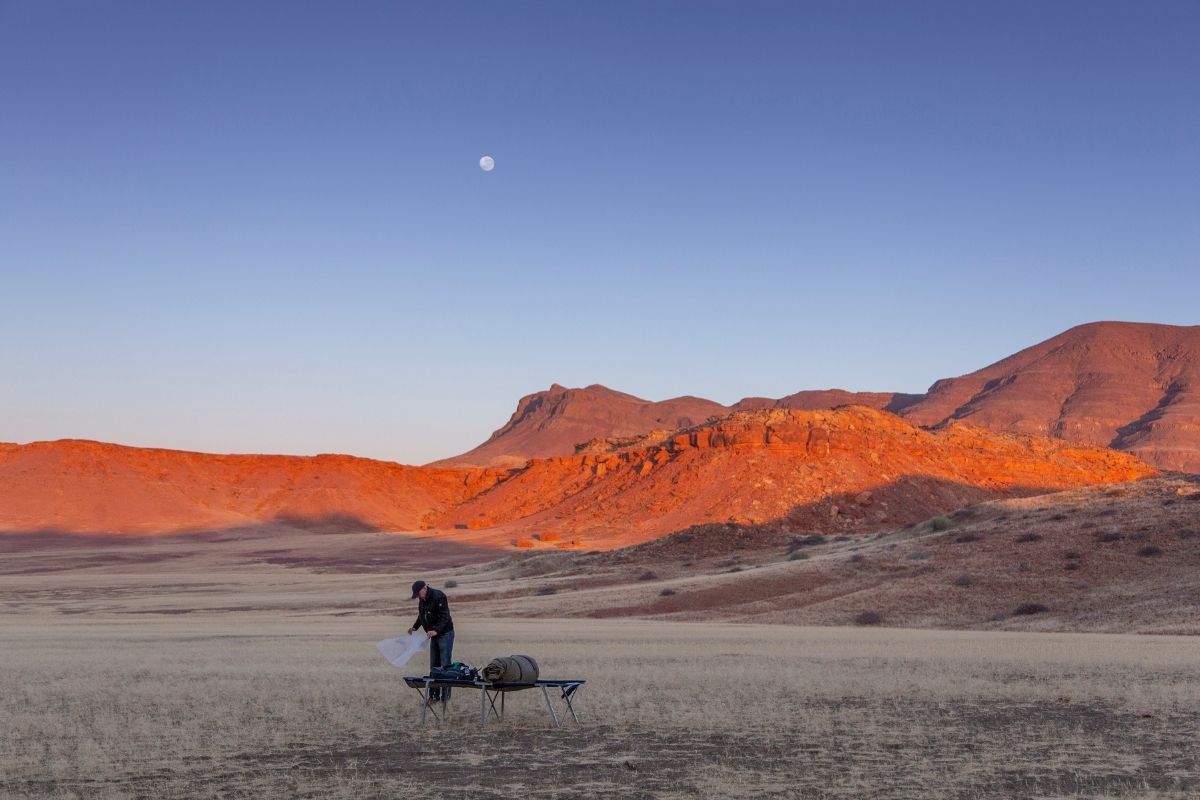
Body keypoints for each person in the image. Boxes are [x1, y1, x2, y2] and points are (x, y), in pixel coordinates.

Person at [408, 579, 455, 701]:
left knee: (445, 666)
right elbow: (421, 615)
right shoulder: (422, 600)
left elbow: (445, 616)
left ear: (424, 588)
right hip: (433, 635)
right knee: (434, 666)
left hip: (445, 633)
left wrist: (436, 630)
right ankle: (433, 696)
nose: (418, 597)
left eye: (418, 594)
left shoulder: (438, 596)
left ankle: (445, 696)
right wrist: (415, 627)